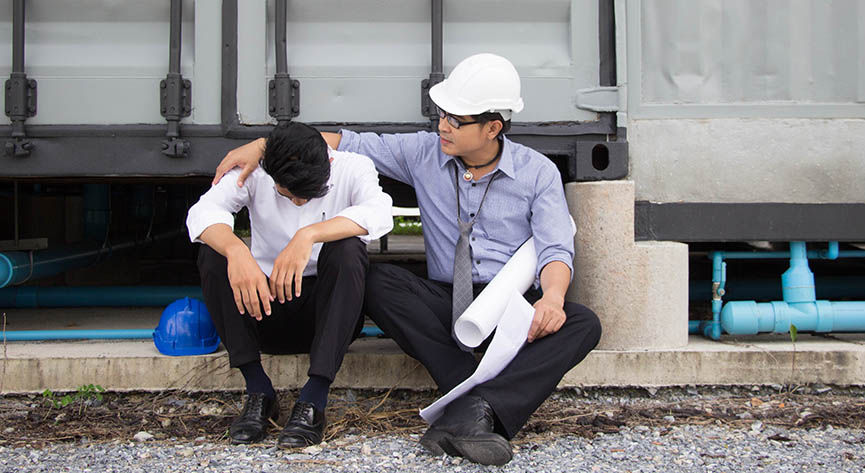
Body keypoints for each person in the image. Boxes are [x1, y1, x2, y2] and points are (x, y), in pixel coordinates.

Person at [213, 53, 601, 465]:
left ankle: (474, 409)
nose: (443, 126)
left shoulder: (537, 173)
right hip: (444, 302)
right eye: (442, 115)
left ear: (493, 127)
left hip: (508, 305)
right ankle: (468, 396)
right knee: (378, 282)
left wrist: (553, 297)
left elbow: (556, 246)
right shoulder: (423, 152)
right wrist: (268, 147)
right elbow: (345, 142)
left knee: (583, 323)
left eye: (456, 120)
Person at [187, 122, 392, 447]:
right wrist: (237, 250)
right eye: (287, 195)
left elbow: (380, 213)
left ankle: (314, 399)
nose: (297, 204)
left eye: (306, 196)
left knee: (349, 248)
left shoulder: (353, 166)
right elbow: (202, 211)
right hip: (263, 308)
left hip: (325, 318)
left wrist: (308, 235)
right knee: (213, 252)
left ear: (329, 164)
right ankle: (258, 390)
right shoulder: (256, 171)